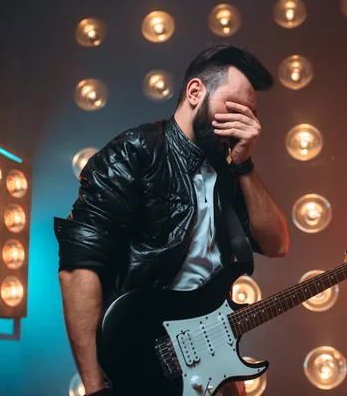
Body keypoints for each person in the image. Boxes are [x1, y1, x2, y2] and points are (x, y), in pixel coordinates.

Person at [54, 44, 290, 396]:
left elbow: (277, 245)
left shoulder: (229, 171)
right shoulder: (134, 151)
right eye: (234, 108)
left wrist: (244, 164)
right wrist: (95, 385)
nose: (245, 123)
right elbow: (79, 265)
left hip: (213, 350)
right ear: (196, 92)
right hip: (147, 353)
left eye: (251, 114)